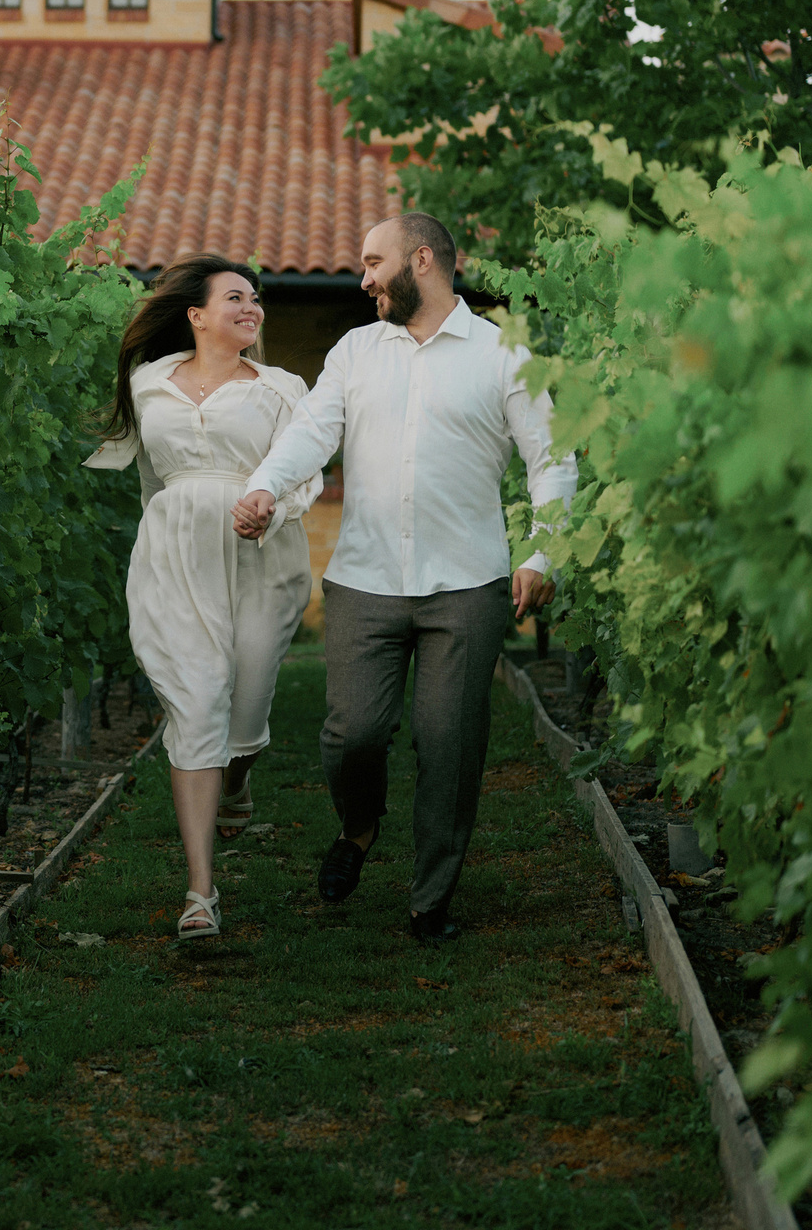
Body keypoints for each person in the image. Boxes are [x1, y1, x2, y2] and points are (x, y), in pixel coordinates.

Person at [230, 212, 575, 944]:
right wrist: (266, 485)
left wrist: (542, 555)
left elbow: (552, 462)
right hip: (366, 577)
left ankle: (429, 902)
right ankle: (358, 829)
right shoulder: (357, 352)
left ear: (422, 260)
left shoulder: (504, 353)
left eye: (372, 262)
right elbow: (313, 431)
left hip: (468, 582)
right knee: (350, 735)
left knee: (448, 741)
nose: (362, 279)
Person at [88, 255, 320, 941]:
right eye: (236, 298)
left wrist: (269, 508)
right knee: (195, 701)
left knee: (243, 712)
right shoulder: (148, 382)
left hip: (260, 553)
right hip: (177, 553)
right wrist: (160, 536)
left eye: (257, 299)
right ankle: (200, 894)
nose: (253, 308)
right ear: (196, 314)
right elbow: (148, 481)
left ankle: (238, 781)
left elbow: (304, 476)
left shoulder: (282, 387)